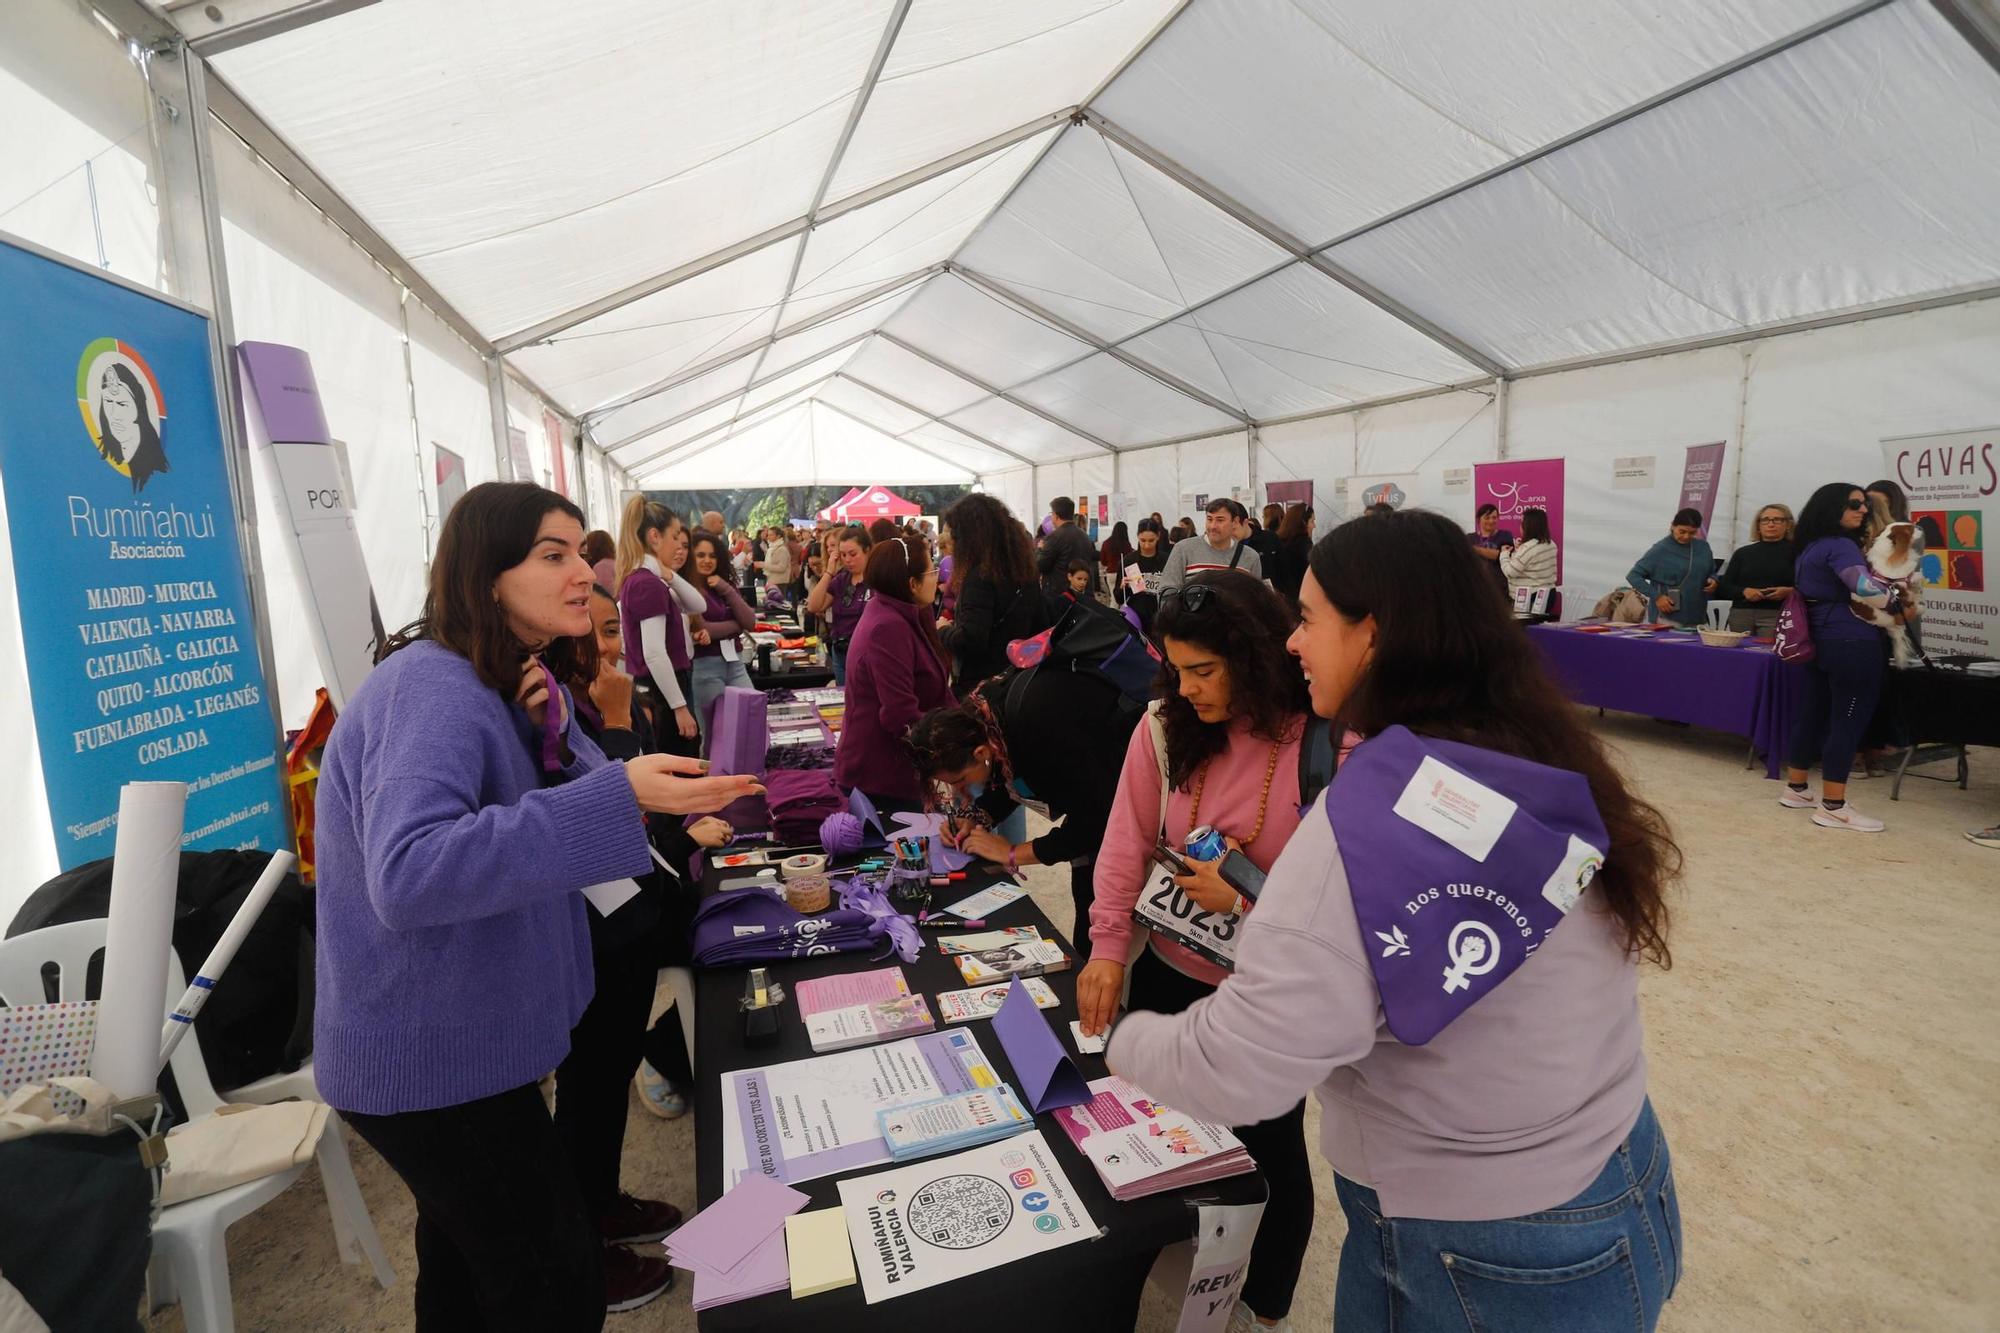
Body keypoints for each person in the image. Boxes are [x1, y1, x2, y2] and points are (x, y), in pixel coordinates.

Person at [1107, 509, 1684, 1332]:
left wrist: (1115, 1041)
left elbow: (1242, 1064)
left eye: (1307, 619)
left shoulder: (1362, 822)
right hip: (1618, 1169)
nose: (1294, 643)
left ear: (1372, 633)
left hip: (1485, 1238)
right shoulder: (1527, 751)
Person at [315, 482, 759, 1328]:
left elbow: (582, 809)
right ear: (487, 575)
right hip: (430, 1056)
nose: (580, 578)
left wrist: (578, 749)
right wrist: (617, 791)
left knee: (465, 1269)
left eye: (576, 558)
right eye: (551, 557)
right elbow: (408, 872)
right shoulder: (433, 689)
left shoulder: (504, 677)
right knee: (552, 1282)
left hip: (463, 1046)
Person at [1077, 572, 1317, 1331]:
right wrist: (1108, 946)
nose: (1188, 688)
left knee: (1266, 1149)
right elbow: (1124, 841)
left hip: (1266, 991)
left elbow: (1345, 896)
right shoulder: (1162, 726)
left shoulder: (1323, 738)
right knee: (1151, 1124)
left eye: (1205, 671)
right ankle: (1163, 1254)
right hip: (1169, 969)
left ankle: (1262, 1302)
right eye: (1175, 668)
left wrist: (1248, 897)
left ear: (1254, 657)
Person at [906, 664, 1135, 956]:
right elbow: (1012, 776)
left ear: (980, 754)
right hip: (1098, 785)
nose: (961, 791)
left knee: (1098, 927)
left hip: (1128, 798)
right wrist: (977, 817)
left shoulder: (1038, 728)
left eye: (960, 781)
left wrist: (1012, 853)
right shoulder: (985, 718)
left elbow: (1094, 824)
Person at [1780, 483, 1900, 832]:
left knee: (1813, 713)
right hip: (1851, 641)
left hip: (1822, 641)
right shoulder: (1841, 545)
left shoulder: (1810, 546)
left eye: (1864, 504)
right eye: (1853, 504)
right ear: (1831, 508)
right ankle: (1833, 805)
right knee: (1848, 719)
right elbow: (1862, 587)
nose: (1862, 510)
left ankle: (1797, 788)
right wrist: (1896, 599)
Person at [835, 537, 953, 810]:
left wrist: (966, 725)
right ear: (912, 583)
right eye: (931, 570)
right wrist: (951, 748)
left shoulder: (906, 613)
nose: (937, 577)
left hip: (898, 769)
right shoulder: (888, 627)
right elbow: (899, 714)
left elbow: (936, 689)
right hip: (879, 777)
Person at [616, 496, 707, 757]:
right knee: (681, 762)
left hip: (661, 687)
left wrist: (669, 574)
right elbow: (654, 653)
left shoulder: (647, 578)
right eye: (675, 535)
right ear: (655, 536)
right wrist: (679, 707)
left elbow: (698, 605)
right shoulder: (646, 583)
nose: (679, 544)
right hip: (662, 691)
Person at [938, 493, 1043, 694]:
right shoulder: (1023, 569)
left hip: (982, 688)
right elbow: (1039, 624)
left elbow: (971, 640)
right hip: (1018, 681)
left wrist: (943, 630)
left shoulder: (980, 577)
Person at [681, 531, 756, 739]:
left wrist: (726, 589)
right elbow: (701, 628)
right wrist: (736, 626)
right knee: (715, 735)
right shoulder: (686, 588)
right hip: (705, 667)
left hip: (735, 662)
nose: (707, 560)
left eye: (712, 556)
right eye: (701, 555)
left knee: (751, 714)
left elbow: (750, 622)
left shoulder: (724, 585)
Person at [804, 524, 873, 685]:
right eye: (842, 555)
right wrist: (828, 572)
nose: (847, 559)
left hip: (865, 653)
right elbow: (814, 606)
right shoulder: (841, 579)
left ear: (867, 550)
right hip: (839, 650)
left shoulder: (876, 580)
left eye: (853, 554)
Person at [1715, 503, 1796, 635]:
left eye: (1777, 520)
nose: (1771, 524)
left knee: (1768, 653)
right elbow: (1724, 586)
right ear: (1758, 526)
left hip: (1778, 613)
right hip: (1741, 614)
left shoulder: (1798, 553)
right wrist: (1744, 591)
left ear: (1788, 525)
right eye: (1765, 520)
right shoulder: (1742, 553)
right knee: (1740, 654)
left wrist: (1789, 592)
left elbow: (1808, 586)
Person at [1627, 508, 1716, 626]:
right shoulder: (1660, 549)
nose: (1686, 536)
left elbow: (1711, 570)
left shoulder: (1703, 547)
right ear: (1673, 526)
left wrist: (1714, 579)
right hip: (1667, 618)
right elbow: (1633, 576)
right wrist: (1657, 597)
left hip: (1697, 616)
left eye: (1692, 533)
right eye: (1682, 531)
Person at [1159, 498, 1261, 595]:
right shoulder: (1183, 549)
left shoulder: (1250, 557)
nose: (1213, 526)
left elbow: (1256, 600)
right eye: (1209, 519)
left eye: (1220, 520)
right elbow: (1167, 592)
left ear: (1234, 522)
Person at [1499, 506, 1560, 621]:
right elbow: (1531, 564)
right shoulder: (1550, 544)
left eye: (1522, 522)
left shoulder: (1529, 548)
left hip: (1531, 597)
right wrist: (1520, 550)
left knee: (1526, 631)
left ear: (1529, 525)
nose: (1520, 526)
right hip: (1548, 594)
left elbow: (1510, 571)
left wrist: (1504, 554)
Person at [1116, 518, 1172, 634]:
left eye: (1151, 540)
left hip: (1160, 618)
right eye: (1143, 540)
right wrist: (1123, 587)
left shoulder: (1166, 560)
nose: (1146, 545)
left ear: (1158, 536)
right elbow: (1119, 598)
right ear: (1137, 536)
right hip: (1135, 618)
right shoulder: (1128, 561)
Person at [1037, 496, 1097, 598]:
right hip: (1082, 594)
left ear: (1056, 516)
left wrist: (1040, 549)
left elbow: (1041, 565)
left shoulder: (1054, 537)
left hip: (1060, 596)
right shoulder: (1084, 536)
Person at [1466, 502, 1514, 600]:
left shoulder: (1505, 535)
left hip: (1500, 589)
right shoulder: (1470, 538)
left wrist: (1475, 549)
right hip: (1476, 588)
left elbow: (1501, 556)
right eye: (1487, 518)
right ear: (1479, 519)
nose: (1491, 521)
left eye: (1494, 517)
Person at [1269, 504, 1314, 604]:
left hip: (1282, 601)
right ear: (1303, 522)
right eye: (1312, 521)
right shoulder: (1304, 545)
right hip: (1301, 601)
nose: (1314, 526)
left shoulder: (1278, 542)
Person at [757, 525, 793, 597]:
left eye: (771, 535)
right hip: (772, 580)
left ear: (778, 536)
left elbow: (781, 568)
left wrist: (763, 565)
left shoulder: (782, 549)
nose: (768, 537)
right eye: (768, 535)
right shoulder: (772, 548)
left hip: (780, 582)